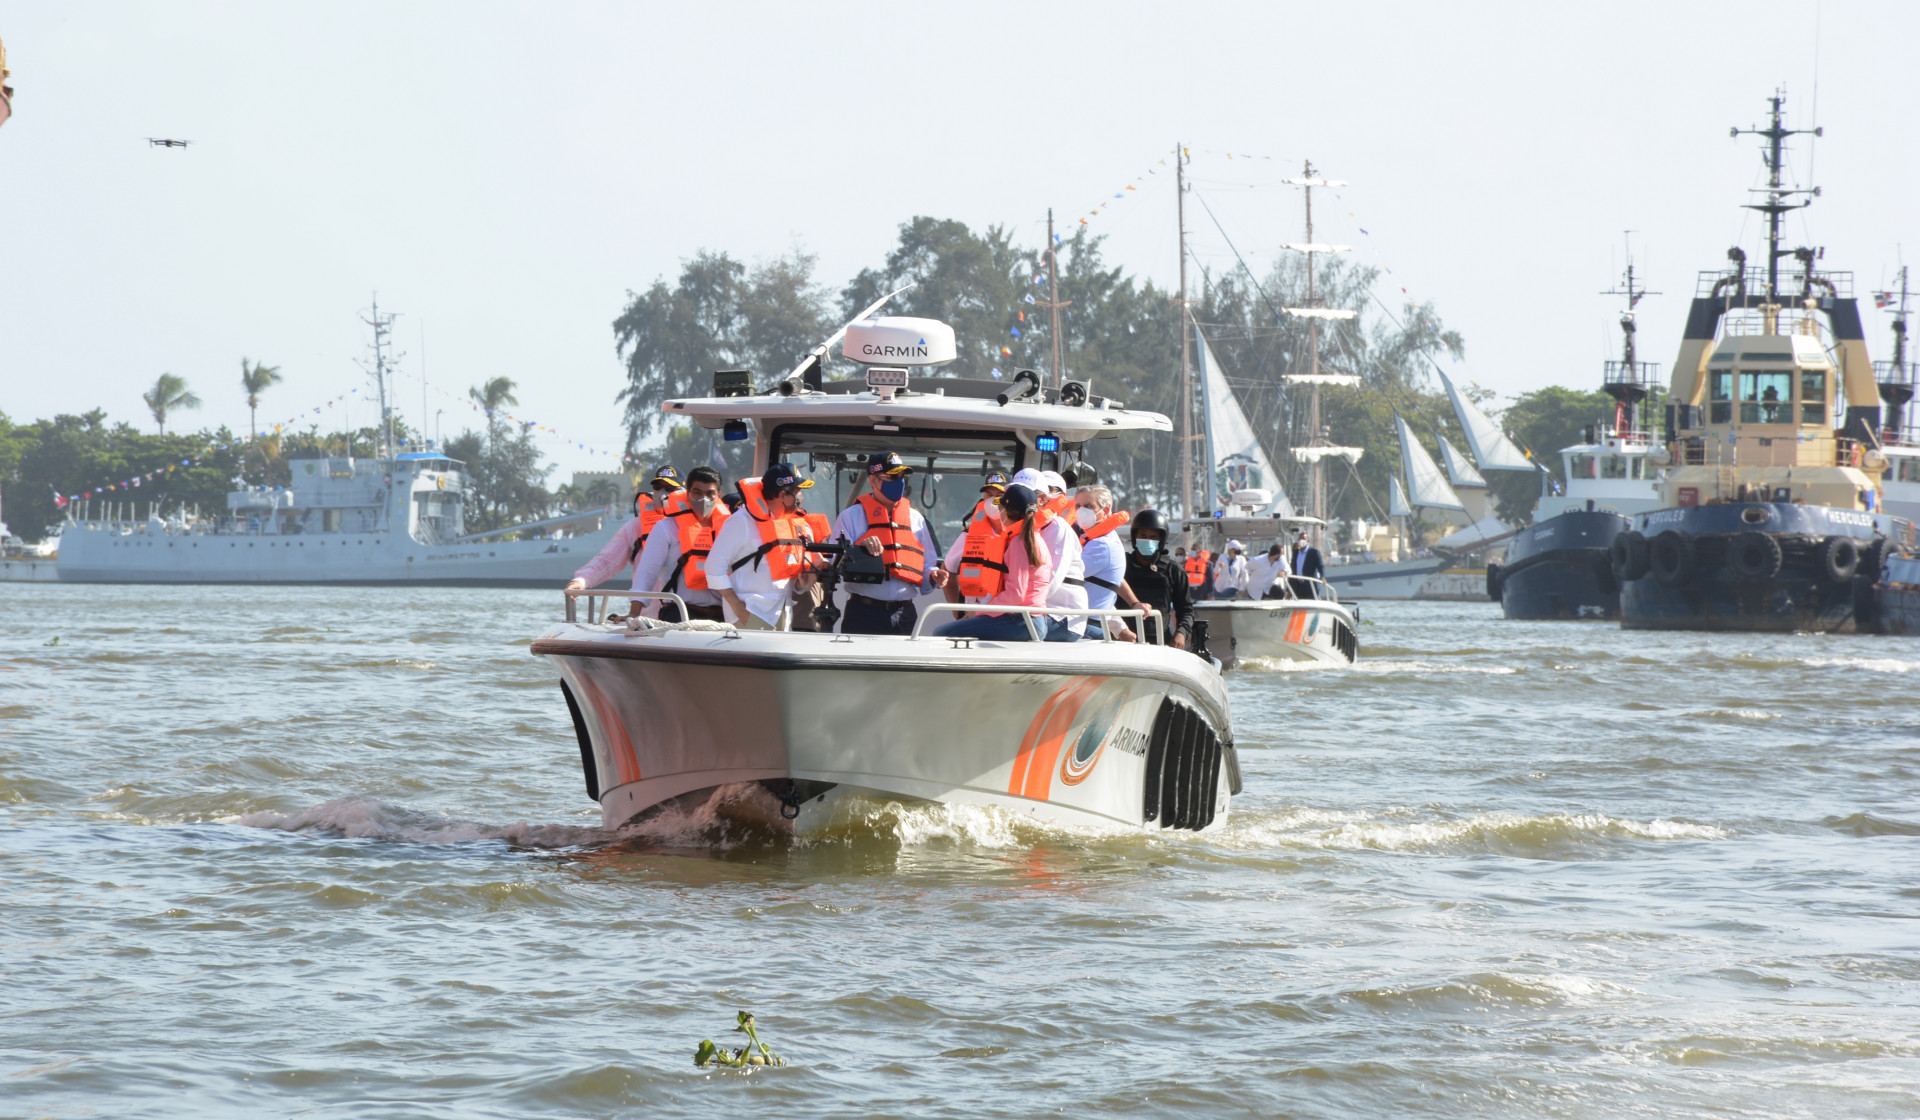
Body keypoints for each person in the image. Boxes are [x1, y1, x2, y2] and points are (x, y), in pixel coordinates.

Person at [832, 451, 948, 635]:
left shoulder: (916, 518)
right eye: (893, 477)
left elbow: (927, 564)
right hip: (863, 612)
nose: (899, 482)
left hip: (905, 613)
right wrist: (859, 550)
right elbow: (833, 562)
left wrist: (934, 575)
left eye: (902, 477)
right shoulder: (850, 517)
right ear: (873, 480)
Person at [705, 462, 818, 630]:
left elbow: (780, 577)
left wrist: (801, 585)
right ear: (782, 494)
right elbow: (713, 566)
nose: (800, 497)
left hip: (782, 613)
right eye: (796, 492)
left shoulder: (787, 524)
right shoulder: (742, 521)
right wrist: (736, 604)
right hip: (751, 612)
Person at [937, 483, 1054, 641]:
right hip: (1031, 619)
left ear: (1005, 510)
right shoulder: (1033, 538)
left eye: (1000, 507)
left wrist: (979, 612)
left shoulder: (1019, 543)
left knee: (942, 634)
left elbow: (1016, 593)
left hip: (1023, 621)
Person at [566, 464, 686, 606]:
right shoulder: (636, 527)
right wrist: (581, 580)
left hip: (685, 613)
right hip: (644, 615)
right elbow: (607, 560)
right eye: (657, 487)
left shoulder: (699, 525)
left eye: (670, 488)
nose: (662, 493)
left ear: (684, 492)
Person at [632, 466, 729, 621]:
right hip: (679, 612)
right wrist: (633, 613)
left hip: (722, 615)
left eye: (710, 493)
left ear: (719, 495)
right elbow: (646, 573)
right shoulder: (665, 528)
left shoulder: (730, 528)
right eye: (697, 493)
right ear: (688, 493)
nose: (703, 499)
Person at [1011, 467, 1084, 641]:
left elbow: (1052, 580)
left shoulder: (1059, 528)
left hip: (1061, 616)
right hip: (1031, 610)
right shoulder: (1024, 528)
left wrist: (1012, 608)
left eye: (1051, 489)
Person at [1113, 508, 1192, 650]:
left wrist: (1181, 633)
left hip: (1160, 642)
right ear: (1134, 537)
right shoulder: (1120, 565)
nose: (1147, 541)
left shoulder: (1173, 570)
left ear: (1161, 540)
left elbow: (1186, 610)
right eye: (1143, 536)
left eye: (1153, 537)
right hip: (1122, 640)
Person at [1073, 484, 1133, 641]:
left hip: (1084, 627)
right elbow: (1099, 592)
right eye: (1078, 506)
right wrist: (1120, 628)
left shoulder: (1102, 544)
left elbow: (1066, 576)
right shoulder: (1097, 540)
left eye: (1089, 506)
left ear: (1106, 510)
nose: (1081, 511)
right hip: (1088, 624)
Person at [1289, 530, 1326, 599]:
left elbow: (1320, 566)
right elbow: (1293, 569)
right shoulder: (1295, 553)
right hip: (1297, 586)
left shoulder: (1314, 553)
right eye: (1300, 538)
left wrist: (1323, 577)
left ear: (1307, 540)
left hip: (1310, 586)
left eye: (1304, 538)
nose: (1301, 540)